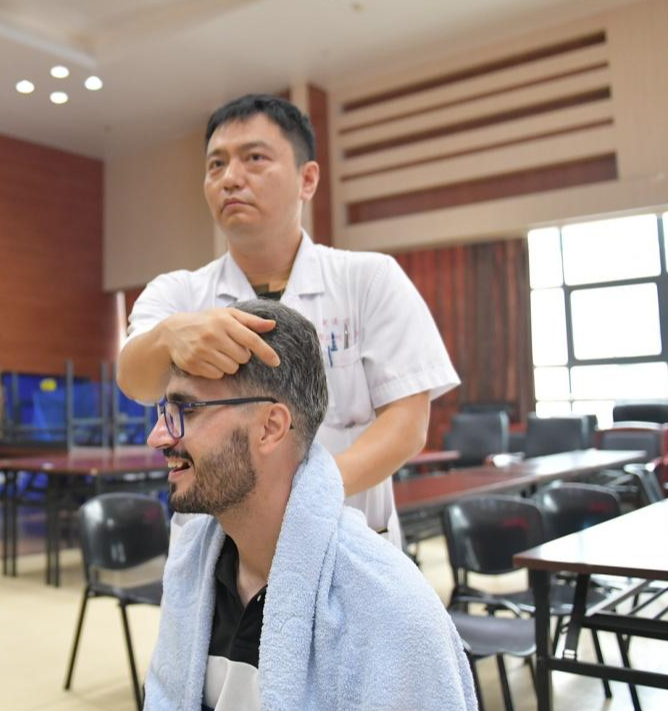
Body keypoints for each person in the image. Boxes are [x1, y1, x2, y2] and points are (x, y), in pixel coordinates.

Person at [119, 94, 458, 547]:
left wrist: (307, 493)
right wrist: (170, 336)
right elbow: (135, 380)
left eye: (254, 158)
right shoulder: (180, 294)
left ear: (308, 178)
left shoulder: (369, 279)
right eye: (216, 165)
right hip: (218, 551)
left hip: (346, 538)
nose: (230, 178)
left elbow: (407, 424)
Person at [144, 299, 477, 711]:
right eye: (163, 412)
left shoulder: (391, 612)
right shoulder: (194, 570)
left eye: (186, 410)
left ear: (270, 427)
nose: (158, 437)